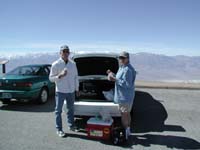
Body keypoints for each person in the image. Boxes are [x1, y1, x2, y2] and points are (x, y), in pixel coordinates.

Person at [49, 45, 79, 137]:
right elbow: (50, 78)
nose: (66, 53)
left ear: (69, 53)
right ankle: (59, 129)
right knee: (58, 111)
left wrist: (77, 89)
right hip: (60, 91)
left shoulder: (73, 64)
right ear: (60, 53)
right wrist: (59, 76)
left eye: (67, 52)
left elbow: (75, 77)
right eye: (64, 51)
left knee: (71, 109)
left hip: (71, 91)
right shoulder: (56, 64)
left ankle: (71, 126)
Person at [107, 51, 136, 140]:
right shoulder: (122, 67)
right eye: (120, 58)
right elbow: (120, 79)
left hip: (125, 97)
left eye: (123, 58)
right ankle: (128, 130)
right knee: (127, 114)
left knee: (124, 114)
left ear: (127, 58)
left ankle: (126, 132)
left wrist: (114, 79)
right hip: (125, 97)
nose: (121, 59)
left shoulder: (127, 70)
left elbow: (127, 84)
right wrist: (112, 74)